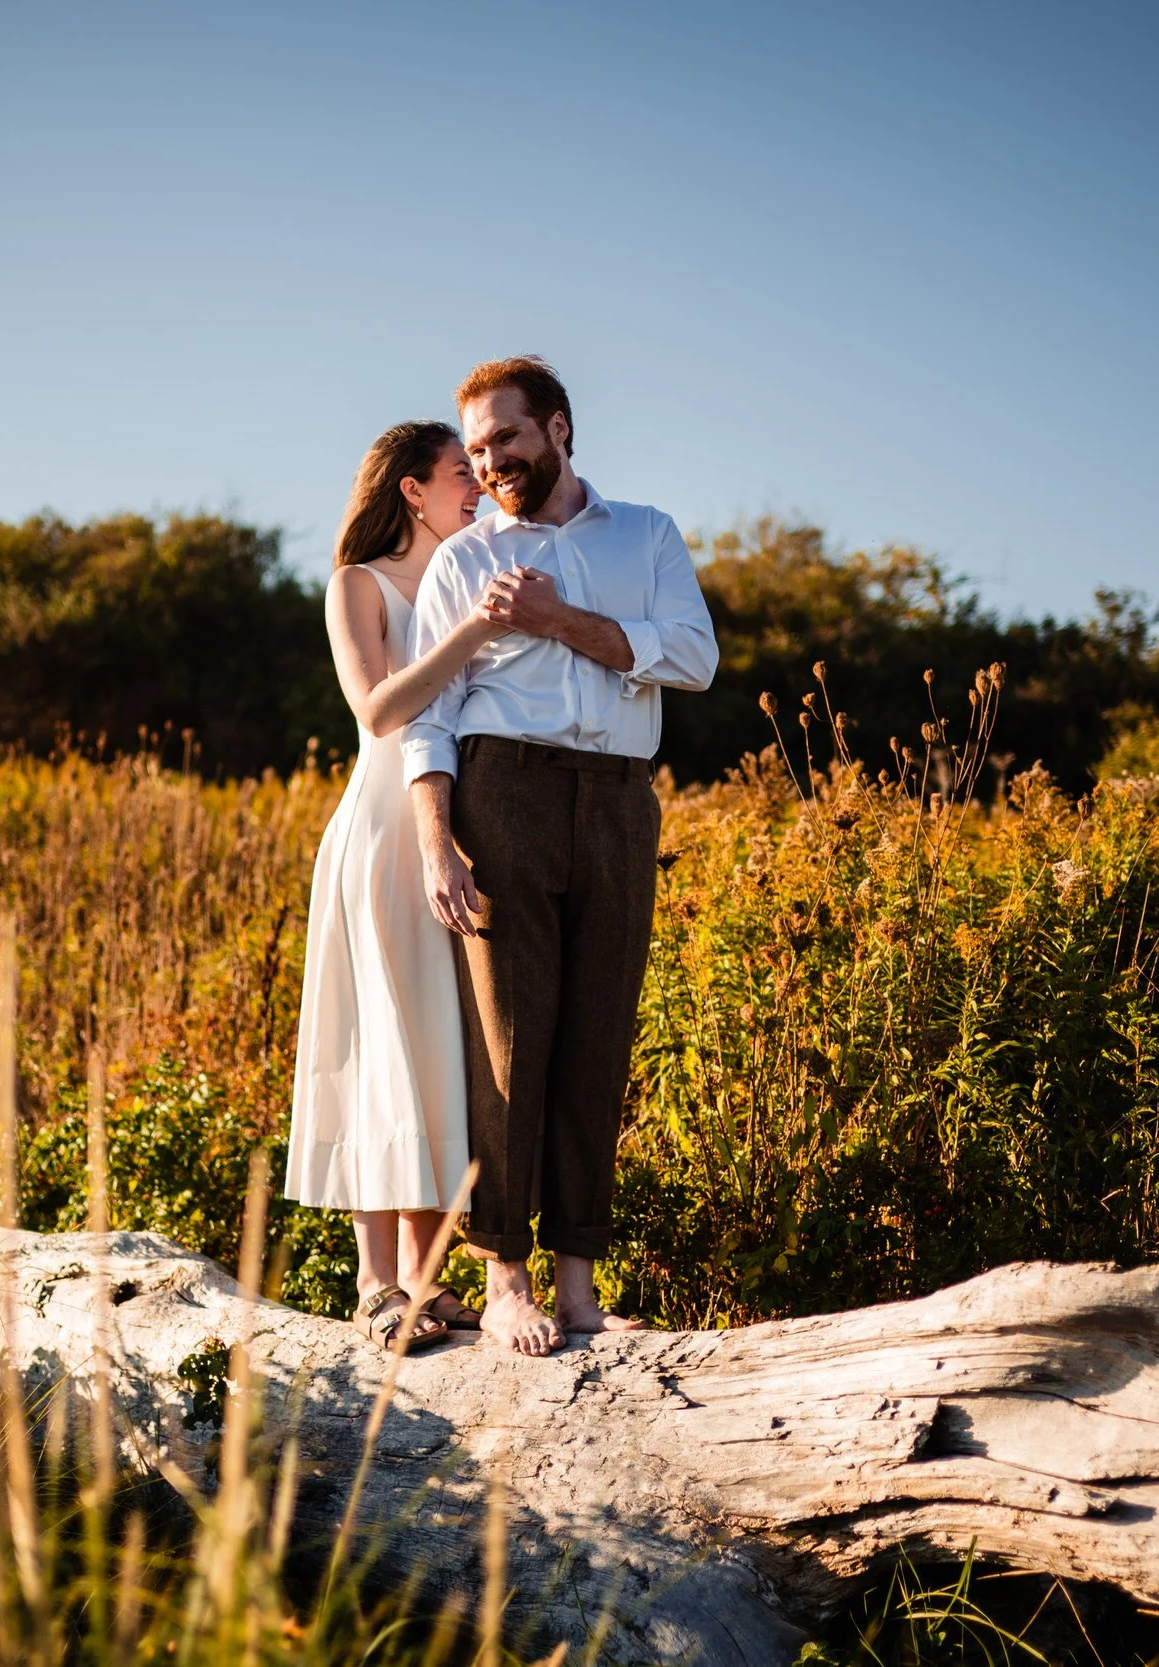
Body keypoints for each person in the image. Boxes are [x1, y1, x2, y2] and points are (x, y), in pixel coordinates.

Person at [403, 357, 719, 1357]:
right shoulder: (462, 561)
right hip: (506, 795)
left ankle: (580, 1286)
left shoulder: (647, 534)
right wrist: (436, 838)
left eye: (507, 437)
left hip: (621, 802)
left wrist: (558, 623)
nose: (492, 459)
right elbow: (425, 714)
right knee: (508, 1044)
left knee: (597, 1036)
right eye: (479, 446)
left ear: (558, 428)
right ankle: (505, 1278)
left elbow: (694, 656)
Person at [283, 420, 508, 1352]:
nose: (482, 486)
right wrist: (476, 630)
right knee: (380, 1041)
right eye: (464, 473)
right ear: (413, 491)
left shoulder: (471, 571)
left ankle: (425, 1283)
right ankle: (375, 1284)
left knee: (439, 1047)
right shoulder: (358, 586)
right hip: (380, 833)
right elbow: (378, 708)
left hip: (453, 835)